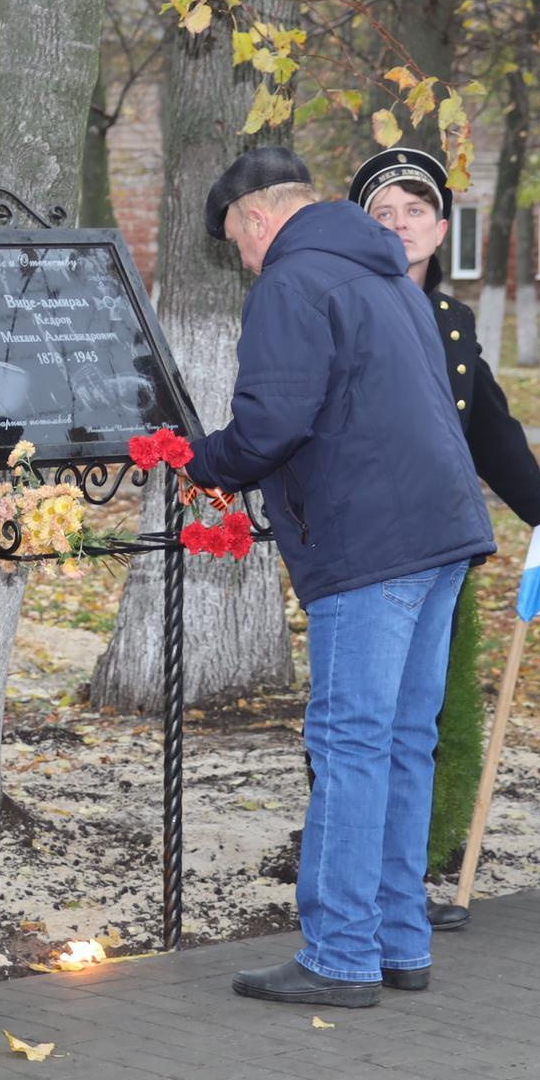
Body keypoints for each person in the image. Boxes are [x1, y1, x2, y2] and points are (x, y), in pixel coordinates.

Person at [183, 147, 495, 1008]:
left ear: (253, 217)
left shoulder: (292, 280)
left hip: (370, 542)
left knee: (351, 742)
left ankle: (340, 953)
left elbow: (272, 420)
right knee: (403, 741)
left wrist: (204, 461)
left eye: (237, 243)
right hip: (439, 531)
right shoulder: (384, 274)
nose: (245, 261)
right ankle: (399, 940)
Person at [347, 147, 540, 932]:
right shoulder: (346, 301)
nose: (401, 227)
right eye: (383, 213)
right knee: (363, 726)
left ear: (441, 227)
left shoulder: (453, 322)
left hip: (441, 548)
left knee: (419, 725)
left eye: (416, 212)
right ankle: (355, 886)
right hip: (369, 551)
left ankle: (402, 888)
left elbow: (491, 430)